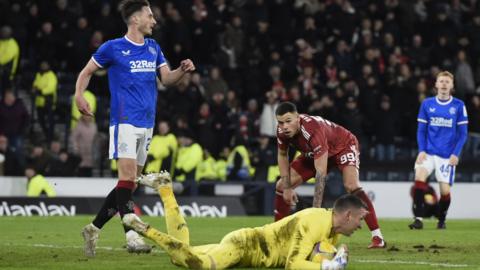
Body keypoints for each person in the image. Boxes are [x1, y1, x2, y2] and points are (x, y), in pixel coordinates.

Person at [74, 0, 195, 257]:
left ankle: (93, 228)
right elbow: (86, 72)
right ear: (135, 19)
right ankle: (132, 236)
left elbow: (167, 79)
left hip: (147, 123)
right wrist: (78, 95)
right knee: (127, 179)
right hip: (124, 120)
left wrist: (182, 71)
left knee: (130, 185)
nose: (154, 21)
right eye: (150, 16)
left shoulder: (154, 48)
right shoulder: (113, 48)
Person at [124, 171, 366, 270]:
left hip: (250, 248)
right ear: (347, 215)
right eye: (360, 219)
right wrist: (328, 266)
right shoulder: (313, 221)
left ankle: (165, 189)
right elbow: (294, 264)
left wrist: (335, 257)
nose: (361, 225)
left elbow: (319, 254)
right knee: (200, 265)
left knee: (181, 257)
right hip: (245, 245)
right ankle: (141, 227)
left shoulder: (332, 231)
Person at [274, 101, 386, 248]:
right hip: (313, 153)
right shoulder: (281, 131)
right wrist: (288, 188)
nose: (284, 127)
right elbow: (282, 155)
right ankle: (277, 236)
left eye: (288, 121)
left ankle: (377, 237)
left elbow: (321, 173)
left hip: (343, 146)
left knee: (351, 186)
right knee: (281, 186)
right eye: (281, 123)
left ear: (297, 118)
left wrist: (315, 212)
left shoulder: (312, 129)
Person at [409, 71, 468, 230]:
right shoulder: (427, 104)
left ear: (452, 86)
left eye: (447, 82)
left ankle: (441, 219)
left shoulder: (458, 106)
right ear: (436, 84)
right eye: (441, 81)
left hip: (446, 156)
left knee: (445, 192)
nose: (443, 84)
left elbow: (463, 134)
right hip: (428, 152)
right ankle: (418, 219)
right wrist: (421, 150)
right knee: (420, 177)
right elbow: (421, 130)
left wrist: (456, 154)